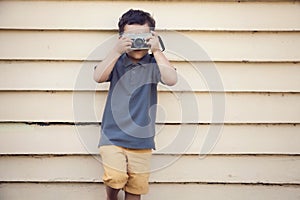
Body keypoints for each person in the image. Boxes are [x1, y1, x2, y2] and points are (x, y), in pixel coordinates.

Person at [93, 9, 177, 200]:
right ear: (121, 38)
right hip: (112, 137)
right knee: (115, 177)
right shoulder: (117, 62)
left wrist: (156, 50)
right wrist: (116, 50)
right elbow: (98, 77)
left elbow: (171, 79)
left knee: (135, 188)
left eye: (143, 37)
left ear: (152, 37)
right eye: (132, 37)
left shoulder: (154, 64)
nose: (138, 42)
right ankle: (111, 198)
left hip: (142, 141)